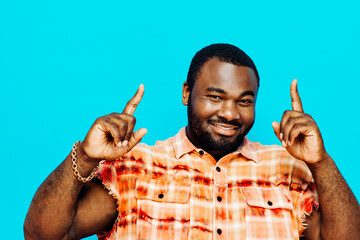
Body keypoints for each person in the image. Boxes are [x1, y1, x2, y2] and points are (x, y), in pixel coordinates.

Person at [24, 44, 360, 240]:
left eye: (244, 100)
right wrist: (84, 157)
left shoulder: (288, 169)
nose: (229, 113)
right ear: (187, 93)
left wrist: (320, 162)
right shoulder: (136, 165)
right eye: (215, 96)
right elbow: (43, 235)